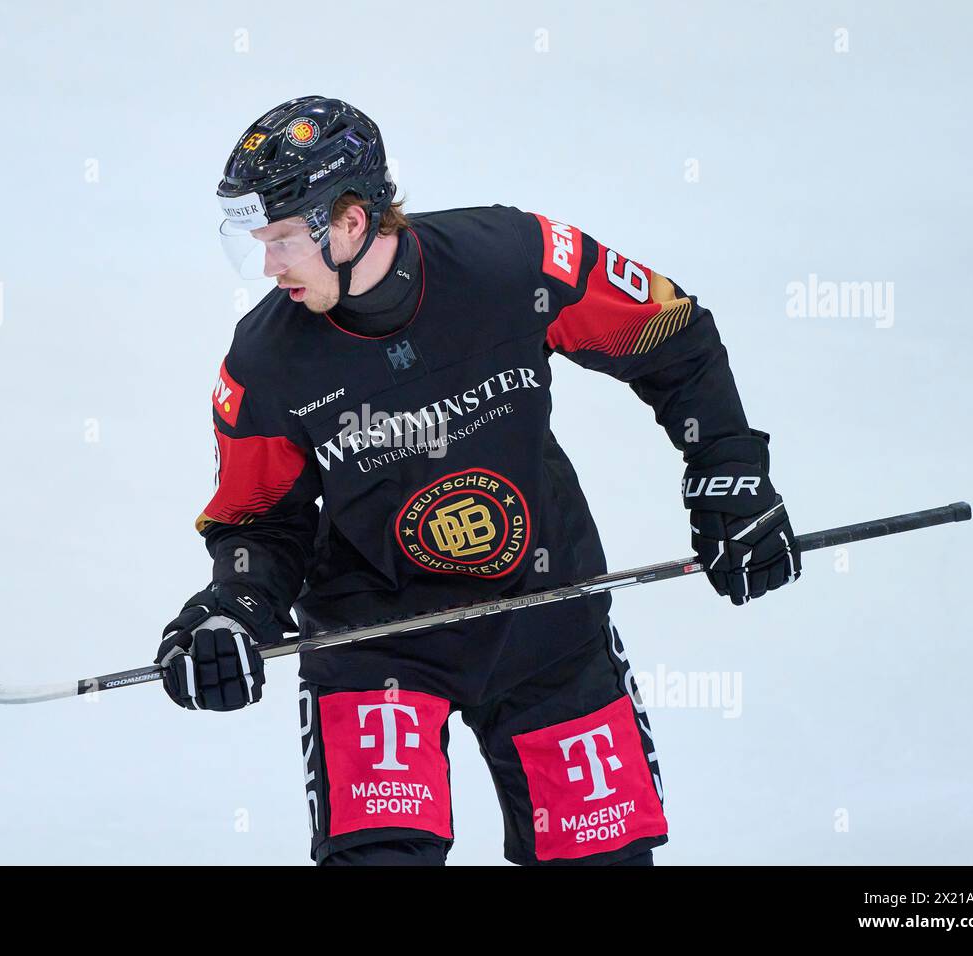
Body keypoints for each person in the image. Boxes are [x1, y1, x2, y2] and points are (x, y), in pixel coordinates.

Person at [155, 96, 801, 866]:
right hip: (377, 642)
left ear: (352, 222)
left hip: (545, 620)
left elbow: (671, 336)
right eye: (259, 244)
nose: (268, 266)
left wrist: (729, 473)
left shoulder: (514, 260)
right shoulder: (265, 363)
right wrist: (234, 609)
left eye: (285, 240)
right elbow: (258, 520)